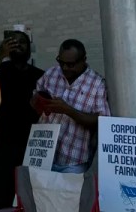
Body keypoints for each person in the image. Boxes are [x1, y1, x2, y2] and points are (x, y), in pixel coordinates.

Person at [32, 39, 110, 174]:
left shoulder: (97, 83)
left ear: (84, 60)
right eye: (61, 62)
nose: (65, 68)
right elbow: (34, 99)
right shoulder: (51, 73)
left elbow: (101, 121)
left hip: (73, 160)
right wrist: (38, 102)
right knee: (40, 194)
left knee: (69, 195)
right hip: (43, 153)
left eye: (71, 64)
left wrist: (68, 110)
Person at [0, 30, 44, 209]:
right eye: (14, 42)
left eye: (22, 42)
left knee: (32, 198)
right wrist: (1, 55)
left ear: (29, 48)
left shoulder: (40, 76)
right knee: (0, 196)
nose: (18, 45)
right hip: (6, 145)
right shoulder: (1, 70)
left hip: (33, 148)